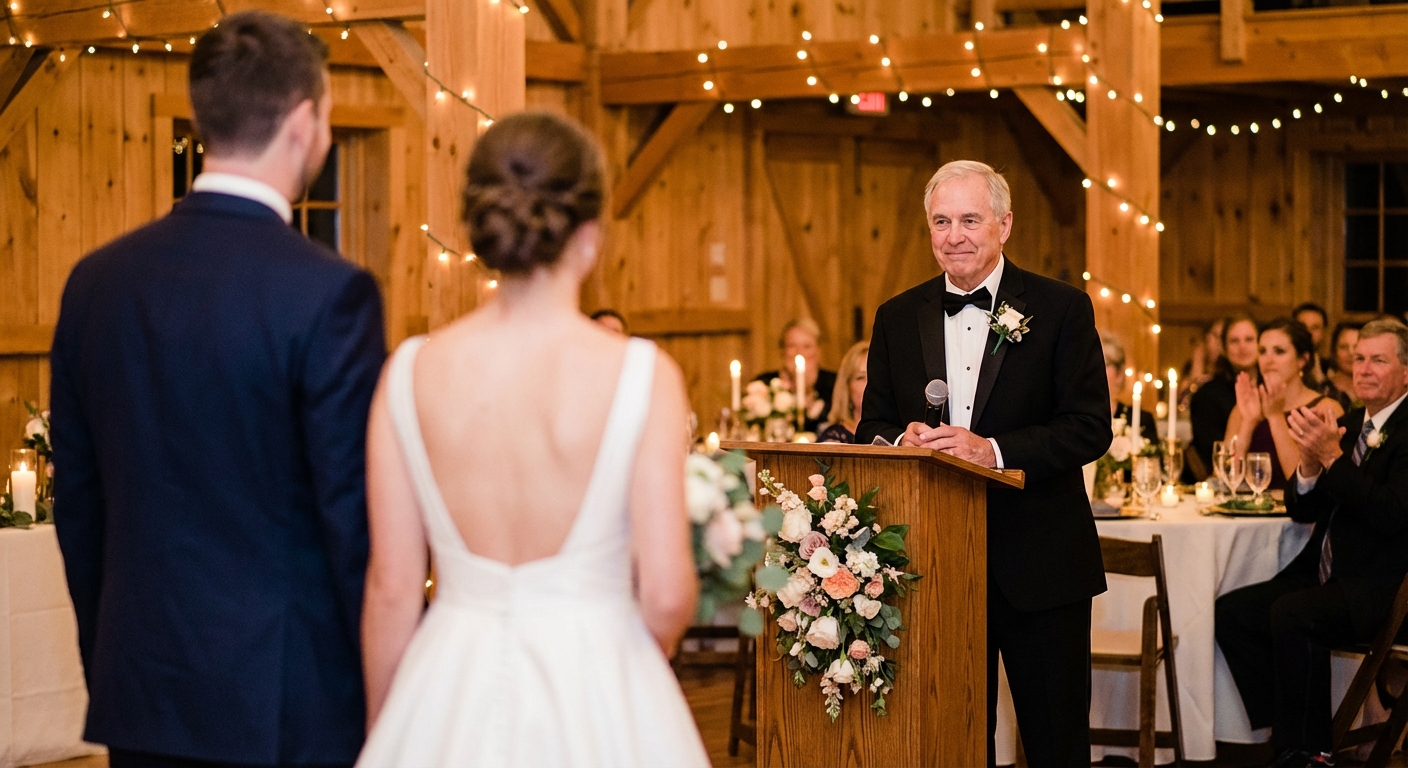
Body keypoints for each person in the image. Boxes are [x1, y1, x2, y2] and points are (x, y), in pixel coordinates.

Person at [50, 12, 386, 767]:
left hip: (142, 691)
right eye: (328, 116)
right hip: (288, 701)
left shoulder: (97, 283)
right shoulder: (330, 294)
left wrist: (112, 654)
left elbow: (80, 504)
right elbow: (352, 522)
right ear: (303, 123)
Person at [356, 113, 707, 767]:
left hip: (447, 686)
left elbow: (393, 590)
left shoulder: (407, 373)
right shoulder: (640, 374)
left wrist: (391, 726)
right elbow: (664, 592)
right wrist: (618, 666)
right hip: (597, 677)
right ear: (590, 233)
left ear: (480, 225)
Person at [857, 160, 1110, 766]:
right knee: (953, 739)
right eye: (941, 221)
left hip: (1042, 562)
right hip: (937, 567)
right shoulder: (898, 315)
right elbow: (872, 424)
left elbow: (1088, 428)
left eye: (969, 220)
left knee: (1056, 741)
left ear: (1005, 225)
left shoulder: (1061, 309)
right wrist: (902, 441)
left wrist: (991, 451)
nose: (954, 235)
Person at [1215, 319, 1408, 767]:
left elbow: (1390, 515)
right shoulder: (1354, 420)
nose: (1363, 369)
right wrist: (1306, 467)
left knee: (1292, 613)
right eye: (1359, 358)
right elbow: (1304, 510)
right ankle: (1284, 733)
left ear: (1404, 372)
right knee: (1234, 613)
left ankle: (1310, 750)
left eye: (1378, 360)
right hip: (1325, 572)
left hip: (1376, 584)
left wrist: (1332, 459)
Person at [1225, 318, 1345, 491]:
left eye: (1279, 351)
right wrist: (1248, 423)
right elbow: (1227, 477)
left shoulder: (1325, 408)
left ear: (1302, 359)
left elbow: (1302, 486)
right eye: (1262, 351)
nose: (1268, 360)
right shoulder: (1246, 406)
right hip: (1250, 513)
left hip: (1299, 514)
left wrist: (1275, 416)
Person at [1190, 314, 1257, 482]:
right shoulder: (1207, 395)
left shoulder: (1273, 390)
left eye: (1249, 339)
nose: (1242, 347)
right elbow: (1213, 453)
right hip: (1227, 480)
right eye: (1234, 341)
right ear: (1225, 349)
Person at [754, 318, 836, 433]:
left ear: (818, 350)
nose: (799, 352)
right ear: (782, 350)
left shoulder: (834, 384)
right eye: (792, 346)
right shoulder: (764, 384)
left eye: (807, 346)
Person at [1101, 334, 1157, 447]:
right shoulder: (1074, 420)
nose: (1096, 369)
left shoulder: (1142, 421)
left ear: (1120, 373)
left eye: (1105, 362)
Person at [817, 341, 869, 443]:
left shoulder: (903, 435)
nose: (869, 383)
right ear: (847, 388)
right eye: (861, 377)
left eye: (876, 376)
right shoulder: (834, 438)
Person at [1327, 321, 1363, 405]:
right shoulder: (1324, 391)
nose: (1351, 353)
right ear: (1334, 352)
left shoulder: (1377, 390)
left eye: (1356, 346)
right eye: (1343, 347)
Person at [1294, 302, 1330, 386]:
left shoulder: (1330, 369)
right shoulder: (1283, 364)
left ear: (1324, 332)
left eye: (1315, 328)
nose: (1309, 332)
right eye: (1303, 326)